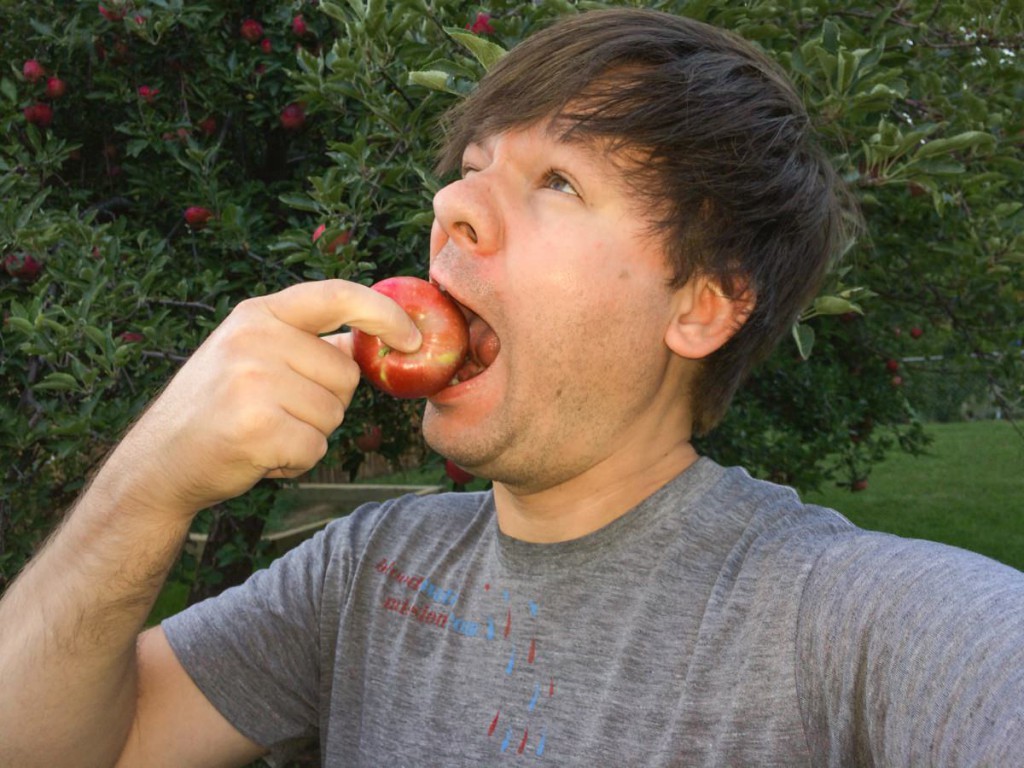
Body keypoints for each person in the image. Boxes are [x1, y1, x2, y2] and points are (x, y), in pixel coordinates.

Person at [1, 8, 1021, 767]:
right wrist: (149, 484)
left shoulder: (837, 620)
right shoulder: (368, 573)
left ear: (703, 305)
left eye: (557, 182)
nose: (449, 205)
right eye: (469, 170)